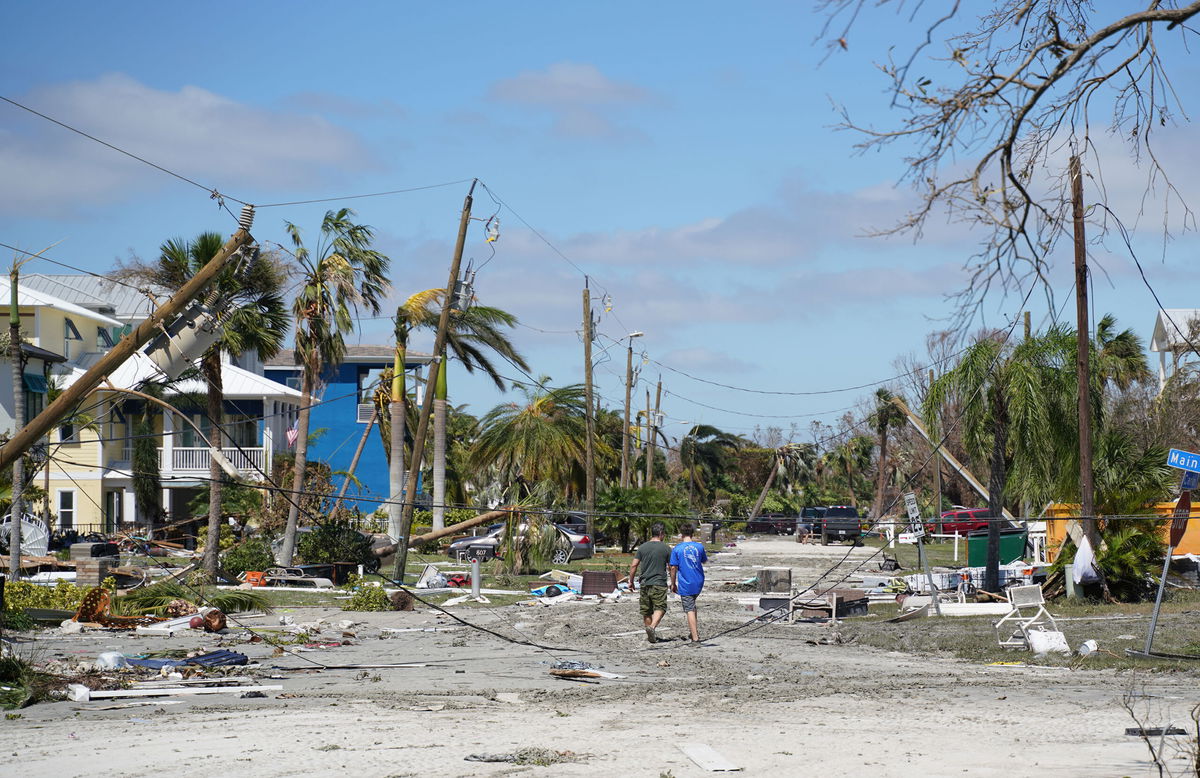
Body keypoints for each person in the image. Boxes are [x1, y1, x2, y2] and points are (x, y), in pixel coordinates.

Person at [628, 522, 671, 643]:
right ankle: (652, 628)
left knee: (647, 610)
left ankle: (650, 635)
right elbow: (671, 567)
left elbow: (634, 565)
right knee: (661, 607)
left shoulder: (642, 547)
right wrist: (673, 582)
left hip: (645, 583)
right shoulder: (666, 548)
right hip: (659, 583)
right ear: (661, 533)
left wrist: (631, 581)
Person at [669, 522, 708, 644]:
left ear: (681, 534)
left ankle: (695, 638)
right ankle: (693, 632)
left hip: (686, 582)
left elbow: (673, 568)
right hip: (699, 581)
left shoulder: (677, 549)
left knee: (689, 609)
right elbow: (704, 561)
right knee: (692, 605)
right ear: (692, 533)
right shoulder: (699, 547)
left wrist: (672, 583)